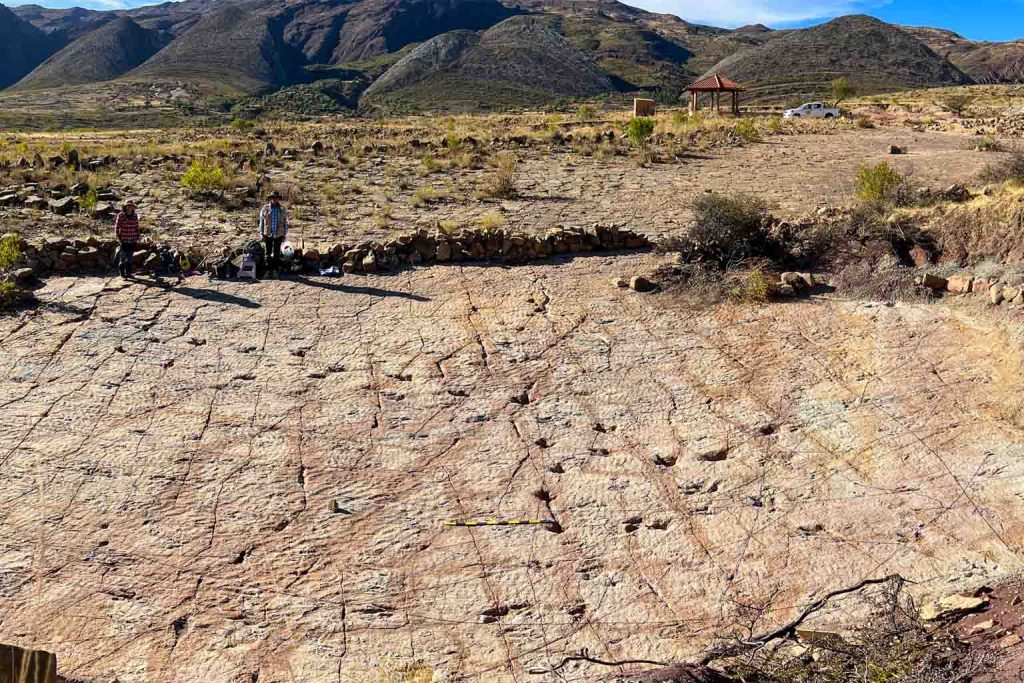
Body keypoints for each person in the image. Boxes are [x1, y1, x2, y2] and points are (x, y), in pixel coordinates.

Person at [258, 190, 288, 278]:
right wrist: (261, 233)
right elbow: (261, 222)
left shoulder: (282, 209)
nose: (275, 199)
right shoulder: (265, 208)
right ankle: (268, 271)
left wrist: (285, 234)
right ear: (270, 198)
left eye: (277, 198)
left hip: (279, 234)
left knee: (277, 253)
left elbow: (286, 222)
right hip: (268, 234)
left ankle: (275, 270)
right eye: (273, 198)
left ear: (278, 199)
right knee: (267, 253)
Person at [114, 200, 140, 278]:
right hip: (124, 240)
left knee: (130, 258)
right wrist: (118, 237)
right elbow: (117, 227)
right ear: (125, 207)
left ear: (133, 207)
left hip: (132, 240)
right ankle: (122, 274)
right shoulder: (121, 215)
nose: (129, 207)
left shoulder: (135, 215)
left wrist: (137, 236)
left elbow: (137, 227)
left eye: (131, 206)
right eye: (128, 206)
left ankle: (128, 273)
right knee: (123, 258)